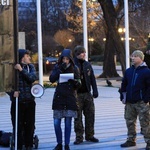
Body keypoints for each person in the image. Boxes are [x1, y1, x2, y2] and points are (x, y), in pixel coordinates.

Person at [49, 49, 81, 150]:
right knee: (56, 123)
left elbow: (79, 82)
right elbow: (51, 79)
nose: (65, 61)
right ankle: (59, 143)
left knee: (68, 123)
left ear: (70, 59)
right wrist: (60, 70)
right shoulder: (57, 67)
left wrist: (75, 82)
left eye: (67, 59)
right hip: (59, 97)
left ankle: (66, 144)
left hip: (70, 97)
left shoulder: (75, 68)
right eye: (64, 59)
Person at [120, 50, 150, 150]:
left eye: (135, 56)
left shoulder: (146, 71)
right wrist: (123, 96)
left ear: (141, 58)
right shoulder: (129, 71)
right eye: (132, 56)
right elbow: (124, 84)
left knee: (145, 123)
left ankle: (149, 141)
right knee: (129, 121)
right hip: (129, 102)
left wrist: (146, 99)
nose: (132, 58)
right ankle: (131, 139)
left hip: (141, 102)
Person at [10, 49, 37, 150]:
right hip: (18, 101)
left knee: (30, 124)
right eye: (27, 56)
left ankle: (29, 144)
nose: (29, 58)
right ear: (22, 58)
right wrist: (13, 93)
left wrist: (21, 70)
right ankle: (19, 144)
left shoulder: (30, 67)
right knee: (18, 124)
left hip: (29, 101)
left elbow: (32, 78)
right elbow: (7, 84)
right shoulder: (12, 69)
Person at [73, 45, 99, 145]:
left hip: (87, 94)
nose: (84, 54)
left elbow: (92, 78)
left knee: (90, 115)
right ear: (77, 54)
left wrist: (95, 90)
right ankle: (79, 136)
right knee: (77, 117)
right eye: (82, 52)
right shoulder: (73, 65)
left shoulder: (87, 64)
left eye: (84, 52)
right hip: (77, 94)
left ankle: (90, 135)